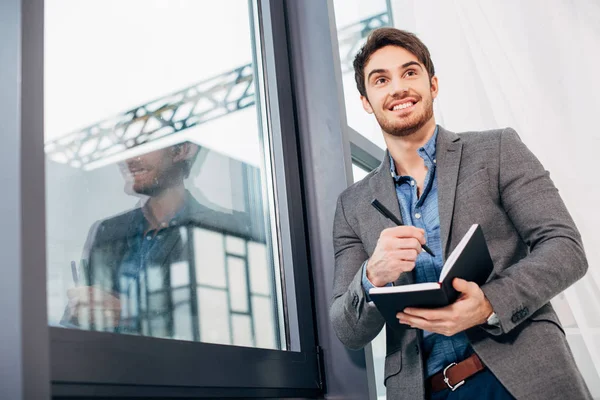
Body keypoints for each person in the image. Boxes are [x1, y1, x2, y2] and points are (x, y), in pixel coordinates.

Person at [330, 28, 591, 400]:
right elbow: (347, 329)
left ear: (433, 84)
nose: (398, 88)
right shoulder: (352, 205)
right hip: (429, 391)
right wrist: (371, 276)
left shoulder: (496, 149)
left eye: (410, 72)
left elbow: (565, 248)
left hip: (524, 378)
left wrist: (489, 304)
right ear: (366, 102)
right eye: (381, 80)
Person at [62, 141, 251, 337]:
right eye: (125, 147)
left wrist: (129, 313)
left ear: (182, 150)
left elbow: (224, 324)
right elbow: (77, 325)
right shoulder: (105, 232)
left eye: (142, 144)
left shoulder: (223, 229)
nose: (128, 159)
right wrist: (78, 310)